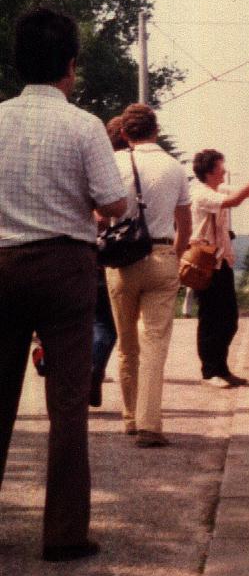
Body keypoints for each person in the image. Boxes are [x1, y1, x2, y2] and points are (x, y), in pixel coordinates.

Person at [0, 7, 127, 561]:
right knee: (67, 405)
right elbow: (113, 202)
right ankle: (64, 533)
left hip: (1, 265)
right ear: (70, 65)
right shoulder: (84, 126)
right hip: (66, 268)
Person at [106, 103, 191, 448]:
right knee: (155, 343)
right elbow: (184, 222)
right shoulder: (174, 167)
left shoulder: (114, 163)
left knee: (127, 345)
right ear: (156, 130)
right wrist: (176, 253)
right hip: (161, 255)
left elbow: (99, 211)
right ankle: (150, 424)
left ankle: (129, 418)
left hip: (122, 261)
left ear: (124, 133)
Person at [190, 150, 249, 388]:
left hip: (220, 262)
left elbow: (248, 193)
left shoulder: (217, 190)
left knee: (228, 319)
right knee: (210, 318)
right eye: (220, 167)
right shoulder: (201, 194)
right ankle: (210, 371)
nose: (224, 171)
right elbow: (234, 200)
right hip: (205, 263)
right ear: (209, 172)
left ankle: (222, 368)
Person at [90, 115, 129, 407]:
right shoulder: (115, 167)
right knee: (106, 323)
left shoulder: (93, 164)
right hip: (104, 257)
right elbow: (102, 217)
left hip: (75, 253)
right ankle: (92, 369)